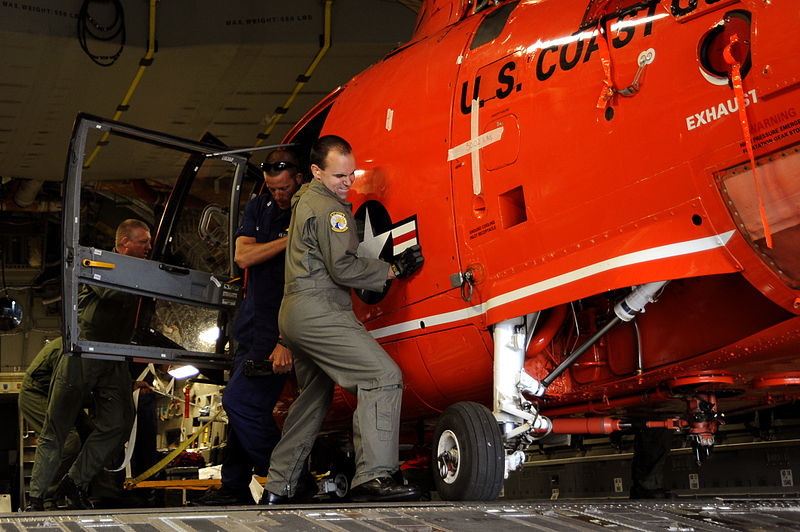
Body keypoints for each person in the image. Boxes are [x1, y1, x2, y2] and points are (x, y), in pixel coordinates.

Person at [263, 135, 424, 504]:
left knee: (313, 398)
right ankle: (374, 476)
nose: (348, 182)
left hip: (294, 317)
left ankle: (279, 485)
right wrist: (392, 269)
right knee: (382, 377)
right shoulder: (330, 210)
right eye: (339, 175)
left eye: (351, 174)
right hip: (320, 311)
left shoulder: (304, 200)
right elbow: (343, 267)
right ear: (317, 172)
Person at [194, 149, 304, 506]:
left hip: (277, 330)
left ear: (300, 179)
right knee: (242, 409)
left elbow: (304, 281)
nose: (278, 195)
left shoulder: (308, 211)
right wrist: (287, 241)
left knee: (239, 401)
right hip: (250, 327)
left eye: (284, 188)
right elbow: (242, 256)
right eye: (272, 189)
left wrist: (285, 339)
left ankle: (290, 479)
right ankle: (234, 486)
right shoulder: (259, 207)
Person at [26, 219, 152, 511]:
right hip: (83, 353)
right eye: (143, 241)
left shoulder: (141, 272)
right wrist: (151, 278)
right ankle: (37, 497)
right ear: (124, 243)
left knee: (120, 421)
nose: (149, 247)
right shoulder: (97, 262)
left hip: (113, 357)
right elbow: (110, 292)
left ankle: (75, 482)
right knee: (57, 429)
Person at [19, 337, 94, 508]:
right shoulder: (69, 348)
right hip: (37, 393)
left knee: (92, 434)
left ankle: (78, 486)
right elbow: (65, 387)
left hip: (65, 396)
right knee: (68, 441)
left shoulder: (93, 346)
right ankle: (45, 495)